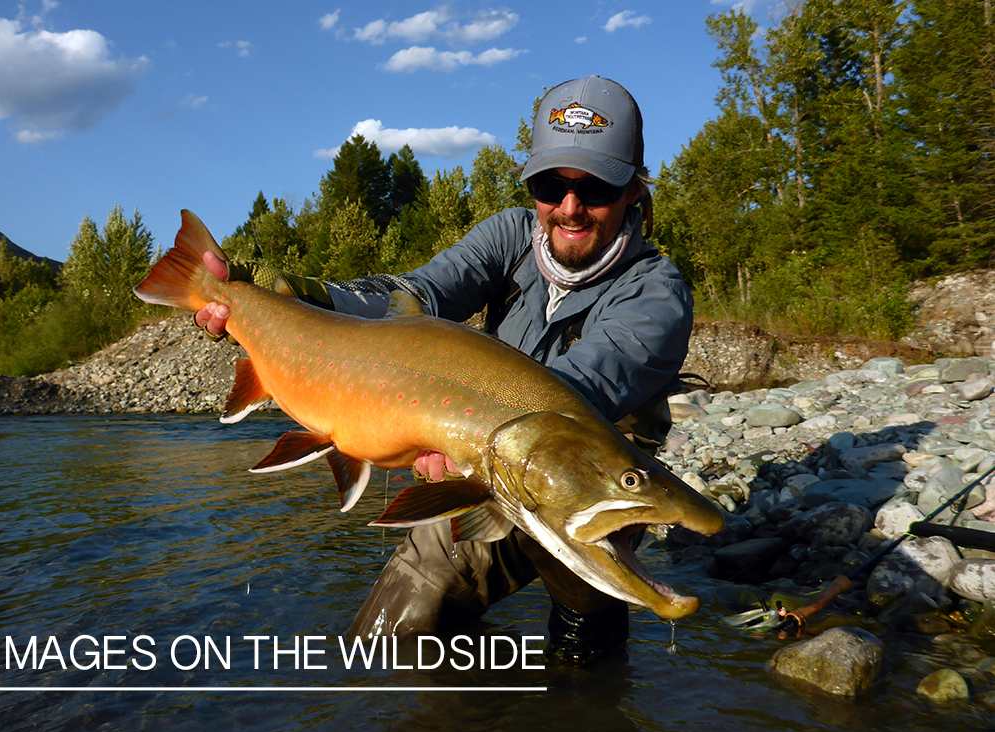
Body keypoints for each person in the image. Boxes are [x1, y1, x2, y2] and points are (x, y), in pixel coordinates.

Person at [195, 76, 694, 663]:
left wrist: (451, 430)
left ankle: (585, 673)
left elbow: (576, 392)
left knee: (586, 664)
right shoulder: (509, 236)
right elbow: (413, 300)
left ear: (635, 190)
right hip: (482, 468)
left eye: (598, 188)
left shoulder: (658, 295)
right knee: (387, 644)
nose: (569, 208)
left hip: (586, 491)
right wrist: (295, 301)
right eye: (550, 184)